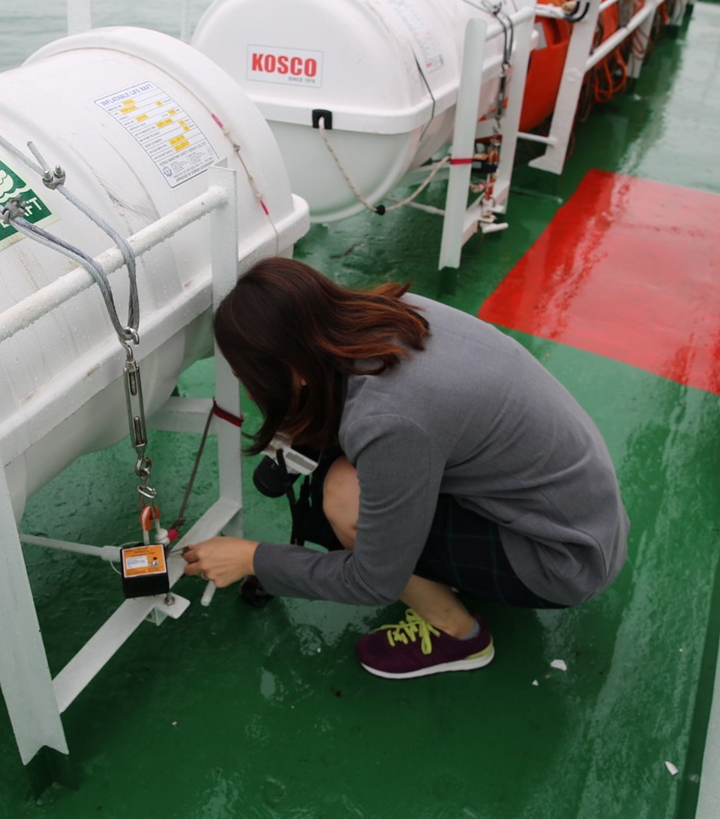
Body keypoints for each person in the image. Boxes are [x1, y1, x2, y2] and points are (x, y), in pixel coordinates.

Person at [182, 258, 628, 679]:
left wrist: (251, 558)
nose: (244, 383)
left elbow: (372, 581)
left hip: (562, 558)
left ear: (292, 371)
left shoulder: (389, 423)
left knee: (341, 499)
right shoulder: (393, 312)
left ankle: (458, 634)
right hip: (579, 511)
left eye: (248, 374)